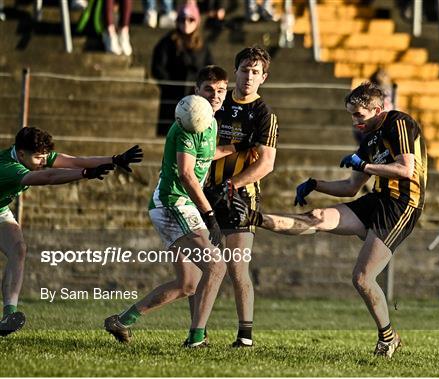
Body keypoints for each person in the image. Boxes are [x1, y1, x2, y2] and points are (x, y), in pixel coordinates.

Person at [231, 81, 427, 358]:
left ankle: (388, 338)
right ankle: (254, 217)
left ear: (378, 110)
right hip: (377, 200)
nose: (354, 121)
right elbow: (350, 187)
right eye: (351, 114)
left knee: (362, 277)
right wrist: (315, 184)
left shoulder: (399, 123)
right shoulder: (369, 139)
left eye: (359, 114)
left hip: (402, 206)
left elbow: (406, 170)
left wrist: (365, 165)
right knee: (317, 217)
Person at [104, 66, 248, 347]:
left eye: (220, 90)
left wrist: (235, 149)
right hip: (173, 203)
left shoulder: (212, 122)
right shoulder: (187, 122)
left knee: (188, 284)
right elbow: (186, 174)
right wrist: (210, 216)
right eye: (209, 89)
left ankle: (122, 321)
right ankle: (197, 338)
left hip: (179, 205)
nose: (216, 95)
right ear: (196, 90)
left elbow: (206, 155)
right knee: (216, 266)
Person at [0, 127, 142, 337]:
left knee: (18, 249)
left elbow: (75, 161)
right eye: (39, 158)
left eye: (45, 157)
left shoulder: (30, 157)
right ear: (21, 154)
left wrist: (115, 159)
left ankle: (8, 317)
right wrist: (85, 174)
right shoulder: (7, 167)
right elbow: (48, 177)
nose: (43, 161)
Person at [203, 46, 278, 348]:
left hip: (241, 197)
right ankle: (198, 333)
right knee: (203, 266)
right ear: (235, 72)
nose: (249, 77)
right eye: (245, 70)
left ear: (264, 77)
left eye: (255, 72)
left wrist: (232, 184)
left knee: (237, 266)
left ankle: (245, 335)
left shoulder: (264, 115)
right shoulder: (215, 104)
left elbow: (266, 164)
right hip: (207, 192)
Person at [152, 0, 213, 136]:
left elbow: (210, 70)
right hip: (172, 98)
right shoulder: (167, 42)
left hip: (195, 99)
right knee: (171, 137)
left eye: (190, 19)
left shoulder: (203, 45)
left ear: (196, 21)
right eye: (181, 19)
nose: (186, 23)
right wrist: (170, 87)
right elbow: (158, 68)